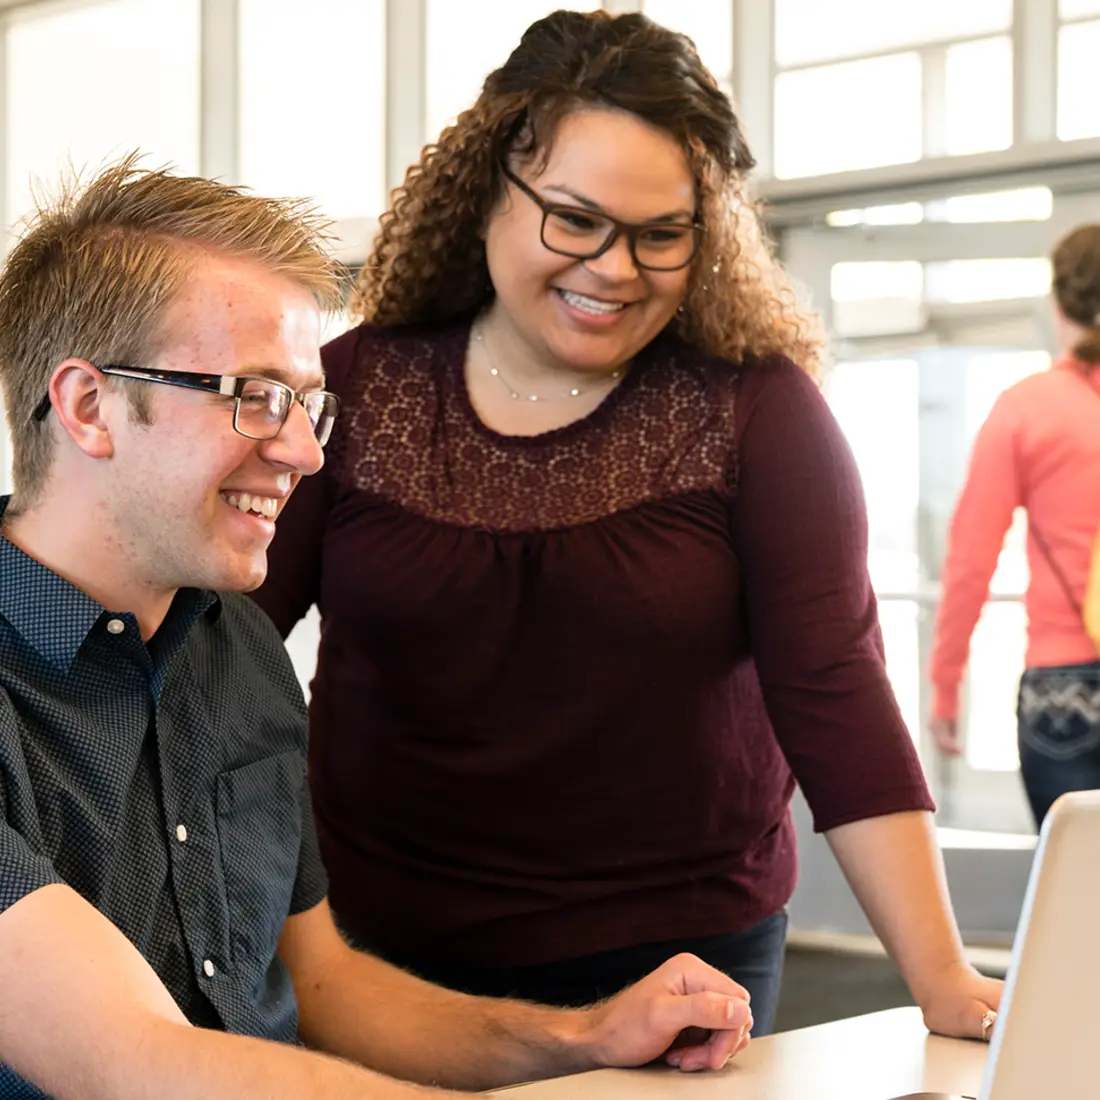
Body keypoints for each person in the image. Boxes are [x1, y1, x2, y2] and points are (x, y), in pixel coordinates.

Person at [252, 10, 1001, 1040]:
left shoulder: (754, 409)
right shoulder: (359, 389)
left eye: (660, 234)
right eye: (574, 219)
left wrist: (940, 977)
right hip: (378, 952)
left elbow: (832, 686)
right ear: (487, 190)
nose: (613, 268)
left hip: (685, 953)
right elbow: (223, 644)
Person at [0, 155, 758, 1100]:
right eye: (254, 395)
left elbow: (325, 988)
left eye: (307, 402)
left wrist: (583, 1038)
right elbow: (135, 1062)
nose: (306, 451)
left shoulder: (237, 649)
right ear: (87, 406)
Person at [929, 224, 1100, 828]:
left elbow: (971, 560)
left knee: (1079, 895)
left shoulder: (1026, 408)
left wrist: (946, 684)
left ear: (1059, 304)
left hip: (1064, 688)